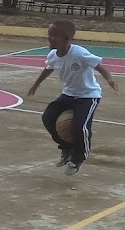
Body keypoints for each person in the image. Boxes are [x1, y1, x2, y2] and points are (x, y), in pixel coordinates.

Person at [27, 20, 119, 176]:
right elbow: (48, 68)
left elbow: (100, 67)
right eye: (49, 34)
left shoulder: (79, 53)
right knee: (48, 117)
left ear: (67, 38)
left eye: (54, 35)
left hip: (88, 96)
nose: (50, 38)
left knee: (80, 127)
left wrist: (109, 79)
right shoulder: (53, 55)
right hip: (69, 94)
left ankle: (79, 157)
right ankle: (66, 148)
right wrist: (36, 84)